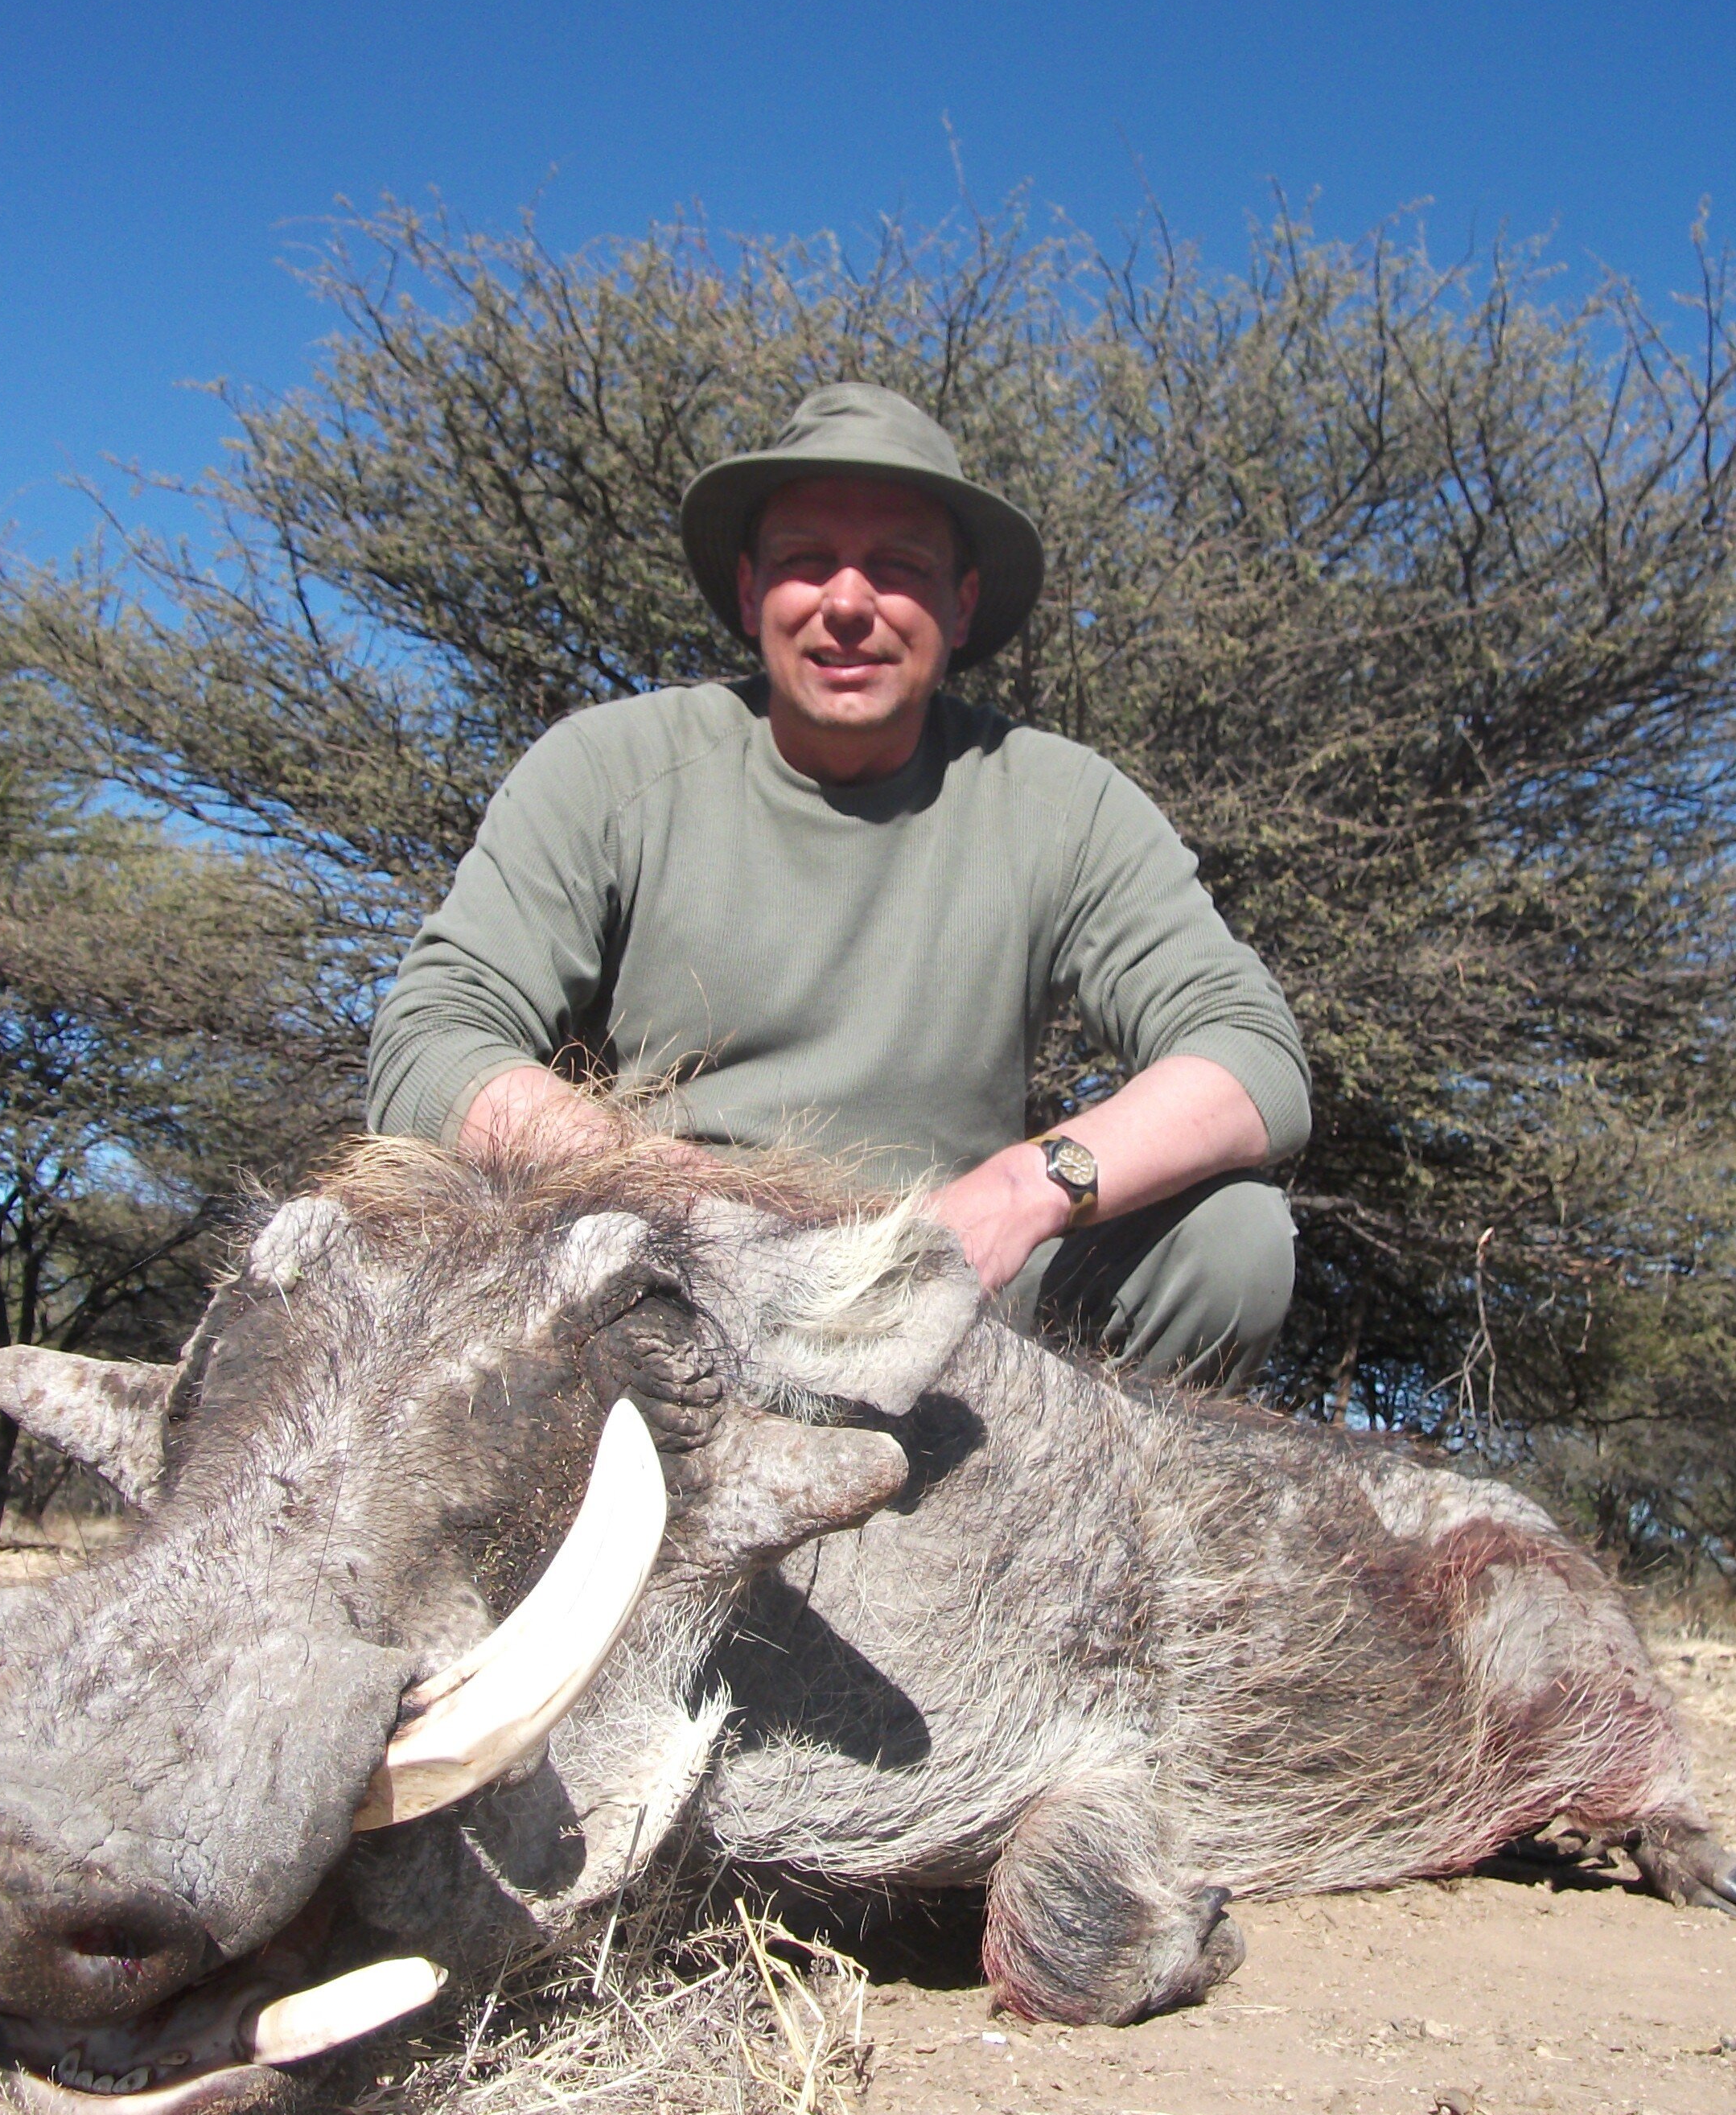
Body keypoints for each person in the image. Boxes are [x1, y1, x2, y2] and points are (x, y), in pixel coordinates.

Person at [364, 382, 1310, 1385]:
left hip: (948, 1291)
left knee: (1234, 1243)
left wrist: (1019, 1190)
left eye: (898, 568)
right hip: (659, 1275)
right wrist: (664, 1191)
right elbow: (430, 1040)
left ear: (960, 603)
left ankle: (1078, 1530)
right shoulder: (606, 766)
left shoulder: (1065, 801)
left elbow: (1250, 1053)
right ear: (748, 593)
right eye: (805, 562)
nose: (848, 604)